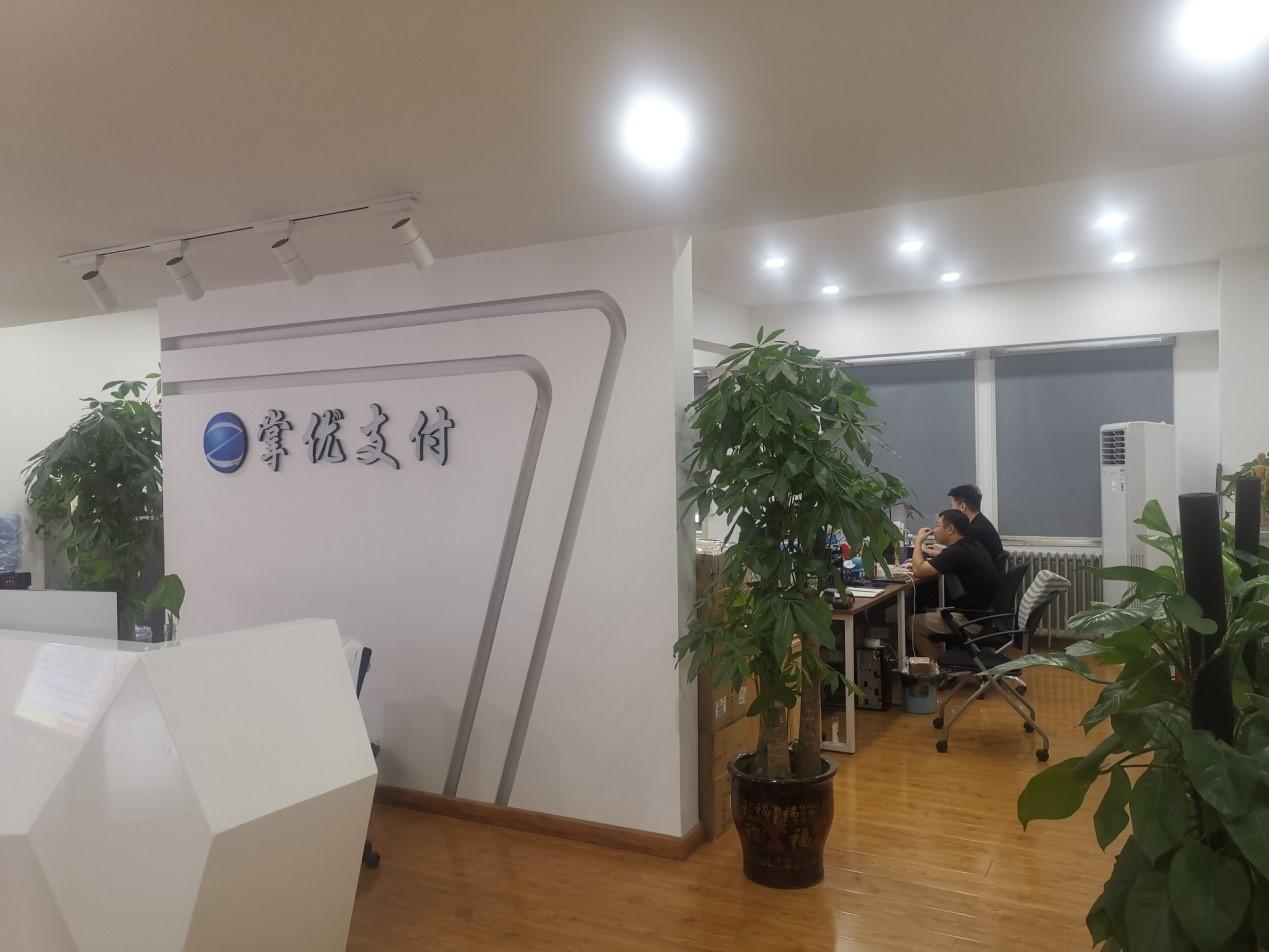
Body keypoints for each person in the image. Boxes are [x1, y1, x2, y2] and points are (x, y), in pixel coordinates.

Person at [909, 509, 1000, 659]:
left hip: (971, 621)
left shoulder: (957, 552)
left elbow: (918, 570)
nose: (933, 530)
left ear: (950, 529)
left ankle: (939, 666)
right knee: (928, 609)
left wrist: (918, 541)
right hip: (982, 615)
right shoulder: (972, 544)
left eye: (937, 525)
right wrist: (935, 554)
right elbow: (950, 558)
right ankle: (943, 660)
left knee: (911, 623)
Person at [947, 483, 1004, 566]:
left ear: (963, 507)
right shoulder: (981, 523)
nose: (951, 510)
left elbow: (956, 556)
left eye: (952, 505)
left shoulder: (975, 531)